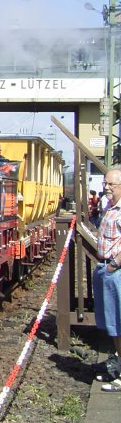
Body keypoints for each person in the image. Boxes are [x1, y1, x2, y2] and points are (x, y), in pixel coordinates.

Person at [93, 167, 121, 391]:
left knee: (119, 323)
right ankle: (116, 368)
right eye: (106, 184)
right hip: (106, 268)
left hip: (116, 271)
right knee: (111, 325)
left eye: (111, 184)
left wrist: (114, 264)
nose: (107, 188)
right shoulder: (110, 207)